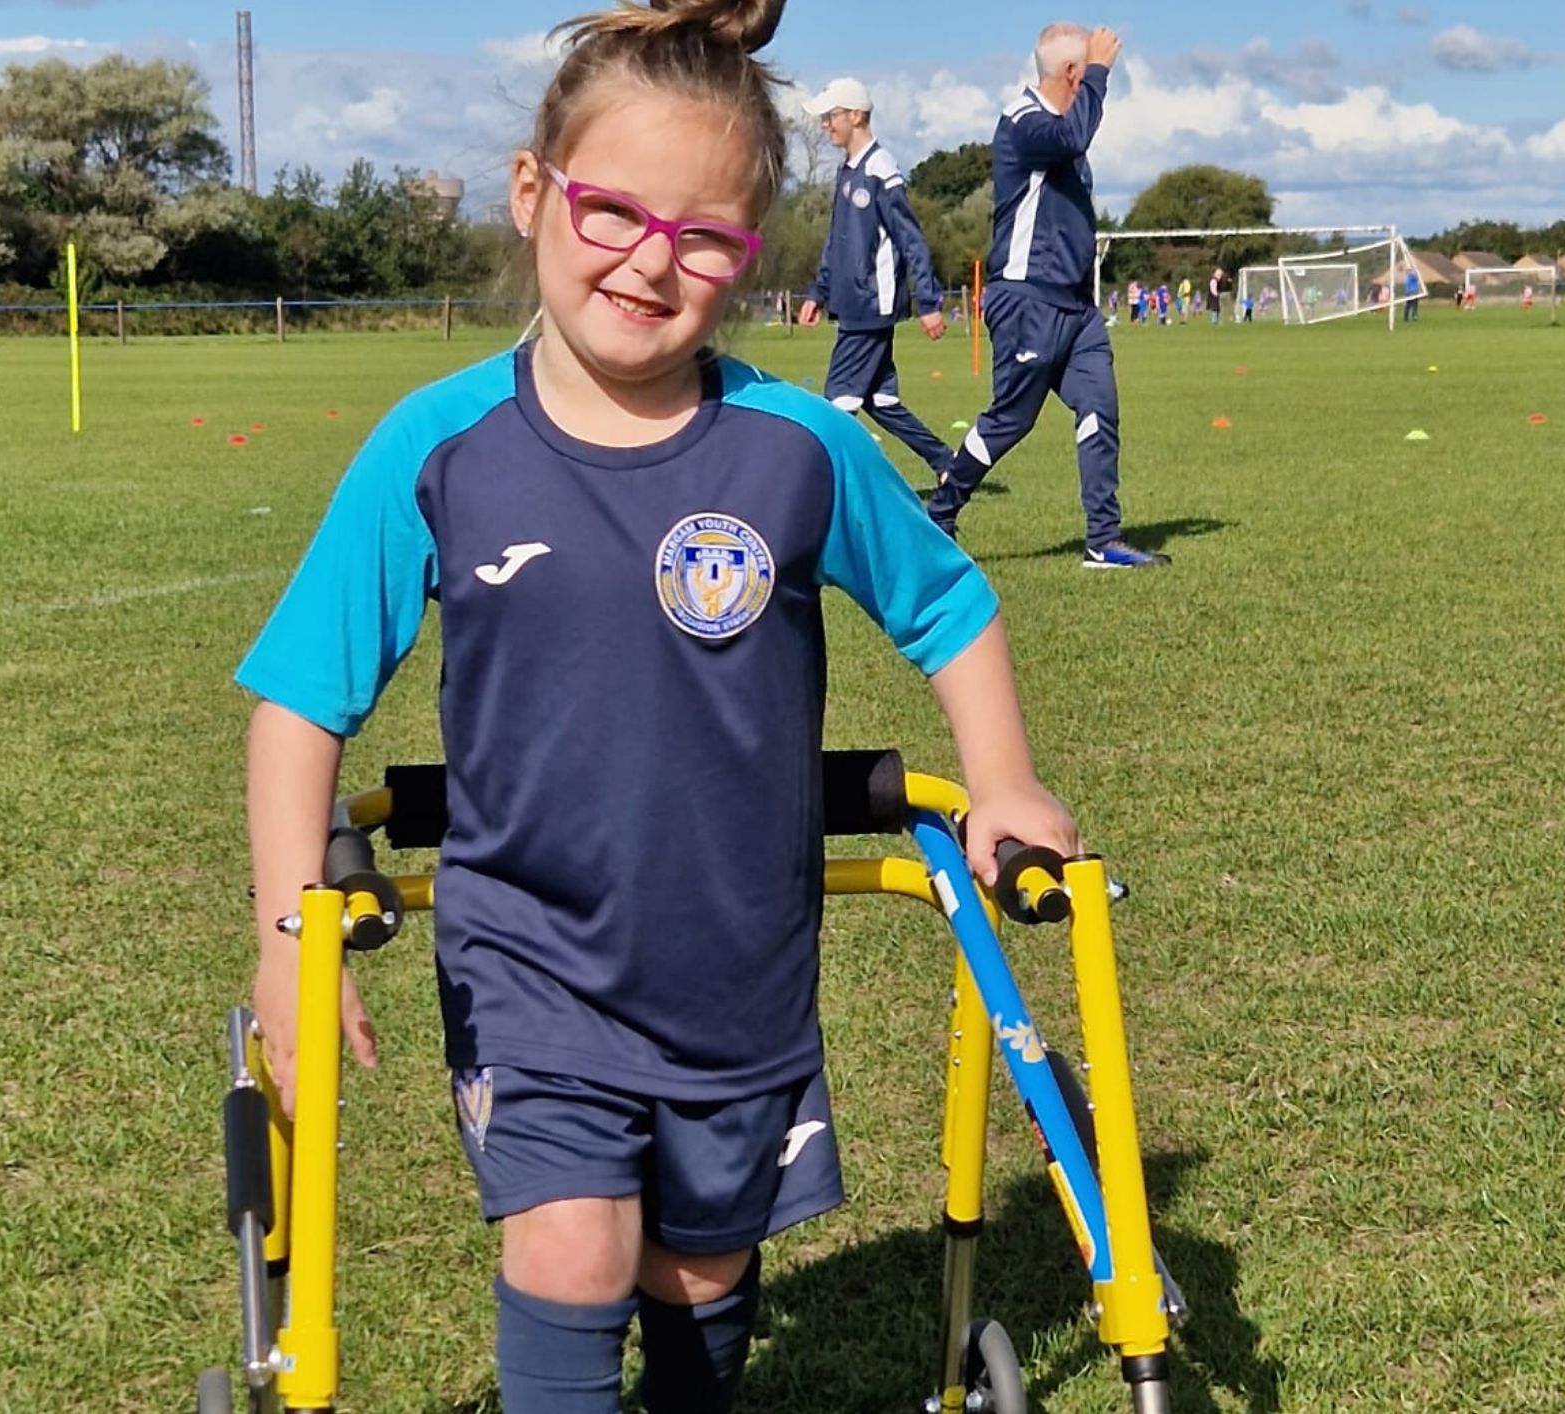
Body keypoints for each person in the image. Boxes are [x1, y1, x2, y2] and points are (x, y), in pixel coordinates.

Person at [235, 4, 1080, 1411]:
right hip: (530, 951)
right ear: (532, 196)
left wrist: (1001, 779)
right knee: (575, 1245)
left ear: (750, 260)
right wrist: (288, 931)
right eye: (612, 210)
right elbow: (301, 698)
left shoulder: (796, 445)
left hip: (737, 962)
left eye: (703, 237)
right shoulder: (437, 448)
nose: (650, 260)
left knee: (696, 1271)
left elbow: (949, 606)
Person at [927, 23, 1167, 568]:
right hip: (1027, 300)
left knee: (1099, 408)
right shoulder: (1024, 122)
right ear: (1072, 74)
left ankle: (1103, 540)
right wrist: (1102, 74)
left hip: (1077, 309)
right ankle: (939, 513)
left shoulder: (1062, 126)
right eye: (1090, 71)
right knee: (1010, 420)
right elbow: (1072, 139)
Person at [797, 77, 953, 479]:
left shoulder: (881, 170)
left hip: (872, 306)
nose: (825, 125)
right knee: (881, 402)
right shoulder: (848, 172)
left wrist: (930, 302)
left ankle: (842, 488)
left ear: (856, 115)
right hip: (851, 305)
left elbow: (911, 240)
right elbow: (837, 240)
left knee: (838, 403)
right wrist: (819, 291)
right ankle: (948, 464)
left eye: (831, 116)